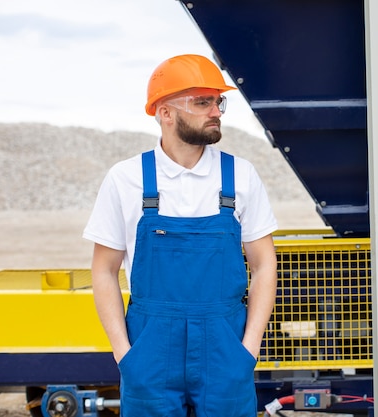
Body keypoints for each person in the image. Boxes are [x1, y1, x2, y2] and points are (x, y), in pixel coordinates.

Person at [83, 54, 278, 417]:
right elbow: (103, 270)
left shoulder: (241, 177)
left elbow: (265, 265)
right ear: (165, 112)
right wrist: (124, 354)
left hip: (225, 348)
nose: (215, 111)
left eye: (218, 101)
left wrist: (248, 348)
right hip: (150, 350)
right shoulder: (126, 180)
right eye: (201, 102)